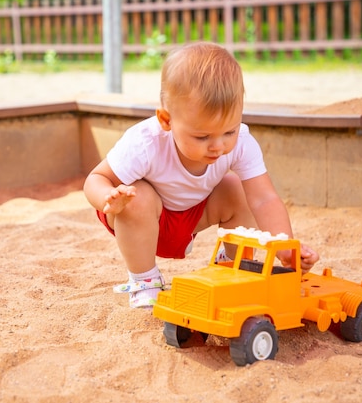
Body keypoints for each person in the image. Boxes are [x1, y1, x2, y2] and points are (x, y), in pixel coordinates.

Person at [83, 42, 319, 309]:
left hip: (192, 218)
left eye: (228, 131)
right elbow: (95, 179)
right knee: (138, 196)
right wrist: (108, 197)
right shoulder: (145, 143)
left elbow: (264, 199)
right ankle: (145, 280)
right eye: (203, 136)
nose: (218, 145)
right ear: (166, 120)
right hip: (141, 219)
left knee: (236, 187)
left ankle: (235, 264)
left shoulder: (241, 142)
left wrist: (286, 248)